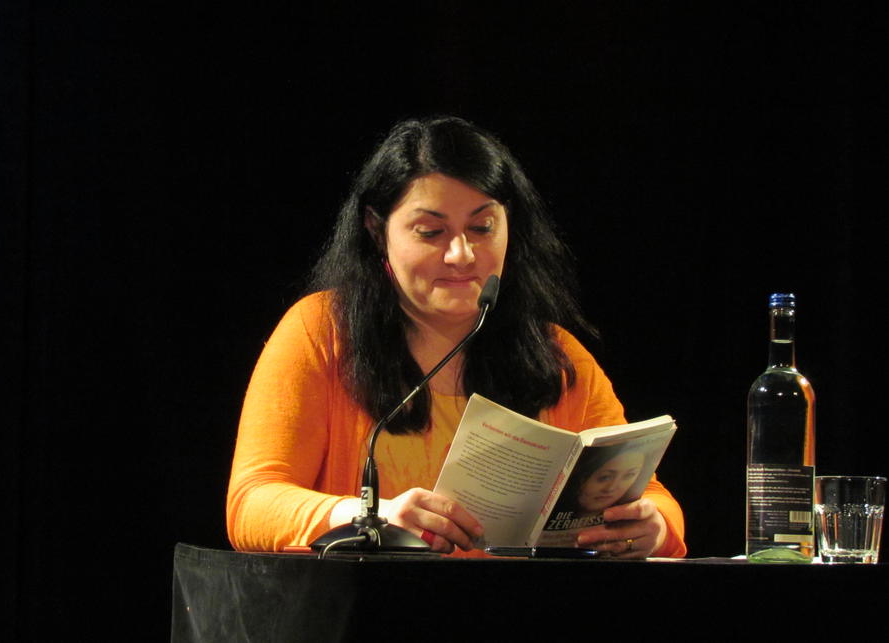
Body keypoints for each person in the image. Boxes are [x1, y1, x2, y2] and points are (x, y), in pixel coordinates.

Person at [226, 116, 686, 558]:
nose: (461, 254)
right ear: (376, 230)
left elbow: (651, 497)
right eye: (431, 232)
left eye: (482, 228)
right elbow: (252, 502)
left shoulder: (556, 354)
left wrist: (652, 527)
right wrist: (369, 518)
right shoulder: (322, 331)